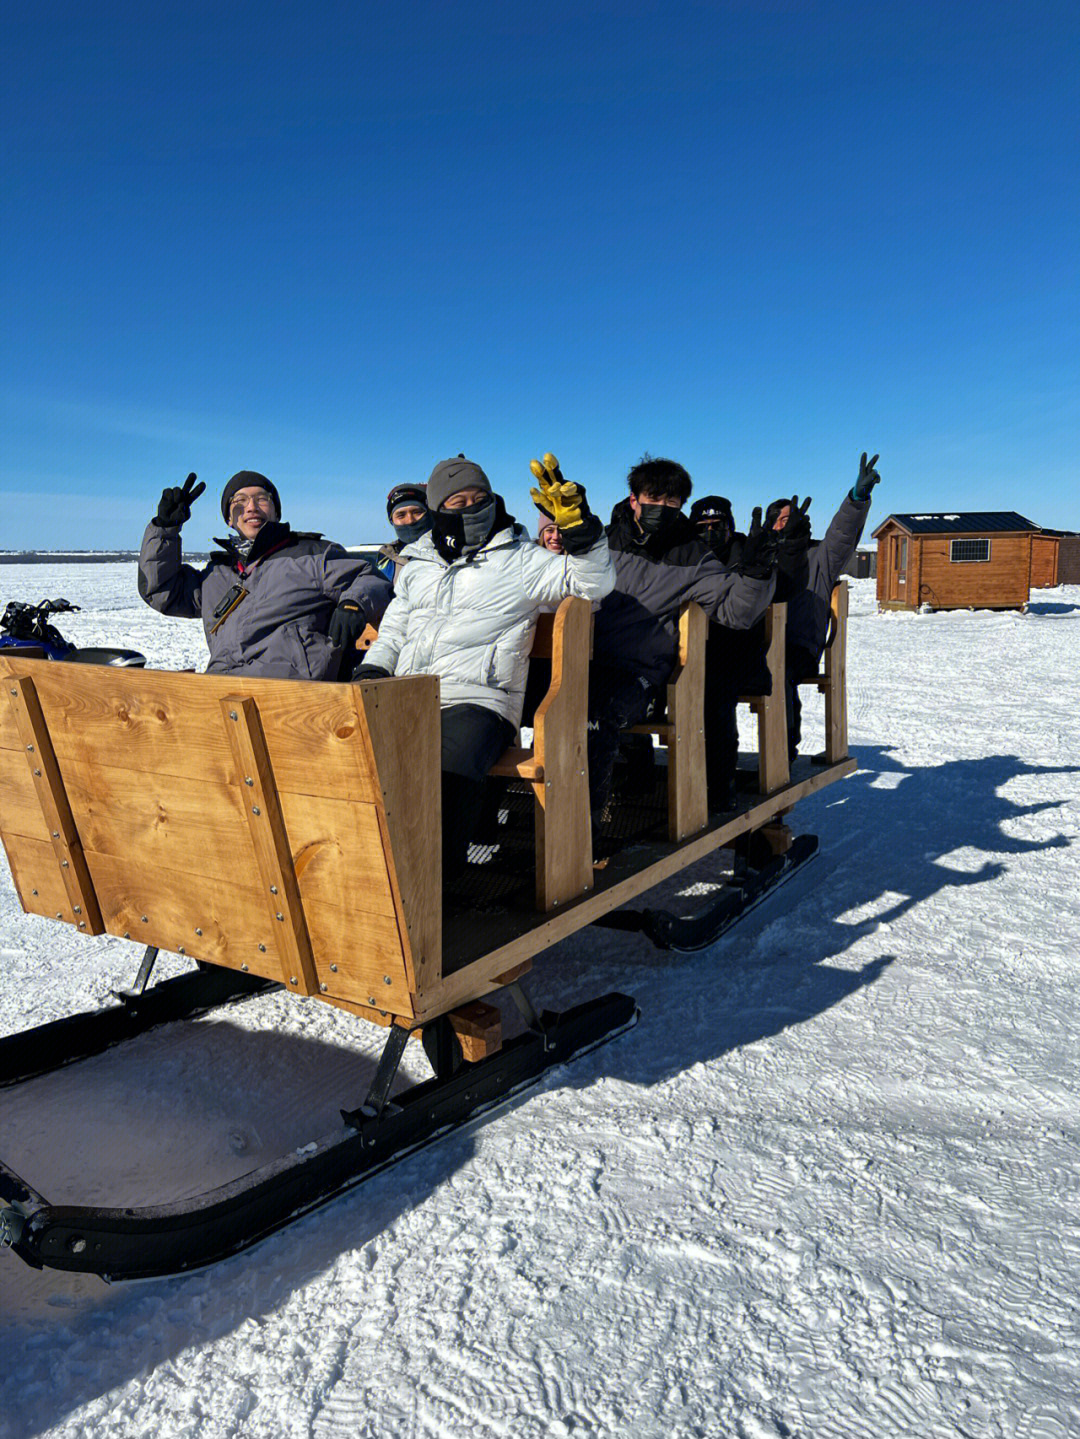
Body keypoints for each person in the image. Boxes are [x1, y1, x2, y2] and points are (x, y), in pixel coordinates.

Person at [353, 453, 615, 875]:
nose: (472, 508)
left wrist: (584, 535)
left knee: (443, 774)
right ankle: (367, 875)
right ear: (438, 510)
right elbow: (396, 631)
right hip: (411, 692)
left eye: (481, 497)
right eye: (458, 503)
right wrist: (373, 671)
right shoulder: (418, 563)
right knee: (358, 763)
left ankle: (434, 882)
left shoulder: (520, 560)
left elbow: (592, 584)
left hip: (481, 699)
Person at [589, 457, 789, 817]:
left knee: (593, 714)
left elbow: (736, 612)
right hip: (581, 660)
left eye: (672, 503)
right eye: (654, 498)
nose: (662, 508)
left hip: (636, 672)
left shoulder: (693, 557)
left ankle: (579, 835)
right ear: (633, 499)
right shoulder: (601, 544)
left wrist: (758, 571)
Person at [138, 470, 391, 679]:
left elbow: (369, 577)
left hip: (293, 701)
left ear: (276, 512)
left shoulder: (311, 555)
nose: (251, 507)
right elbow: (162, 591)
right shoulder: (217, 575)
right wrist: (165, 530)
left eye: (261, 498)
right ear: (229, 518)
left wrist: (354, 604)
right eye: (240, 501)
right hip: (220, 697)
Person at [772, 452, 880, 758]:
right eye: (780, 520)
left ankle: (782, 755)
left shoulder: (818, 557)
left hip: (798, 645)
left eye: (792, 518)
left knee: (777, 671)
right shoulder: (757, 557)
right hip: (760, 643)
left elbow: (841, 535)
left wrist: (857, 498)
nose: (787, 524)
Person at [376, 483, 431, 587]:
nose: (410, 520)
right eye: (401, 515)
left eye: (417, 512)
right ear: (392, 521)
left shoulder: (448, 552)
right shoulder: (387, 558)